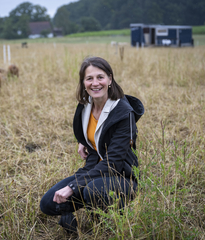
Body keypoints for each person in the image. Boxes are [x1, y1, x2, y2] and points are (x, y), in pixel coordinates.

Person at [40, 56, 144, 233]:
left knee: (91, 190)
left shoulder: (123, 113)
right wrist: (84, 142)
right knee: (48, 203)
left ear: (110, 79)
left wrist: (73, 187)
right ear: (83, 82)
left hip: (123, 176)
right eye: (89, 78)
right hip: (94, 170)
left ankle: (109, 223)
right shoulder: (85, 106)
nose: (95, 83)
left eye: (100, 77)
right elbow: (95, 134)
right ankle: (71, 219)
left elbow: (113, 163)